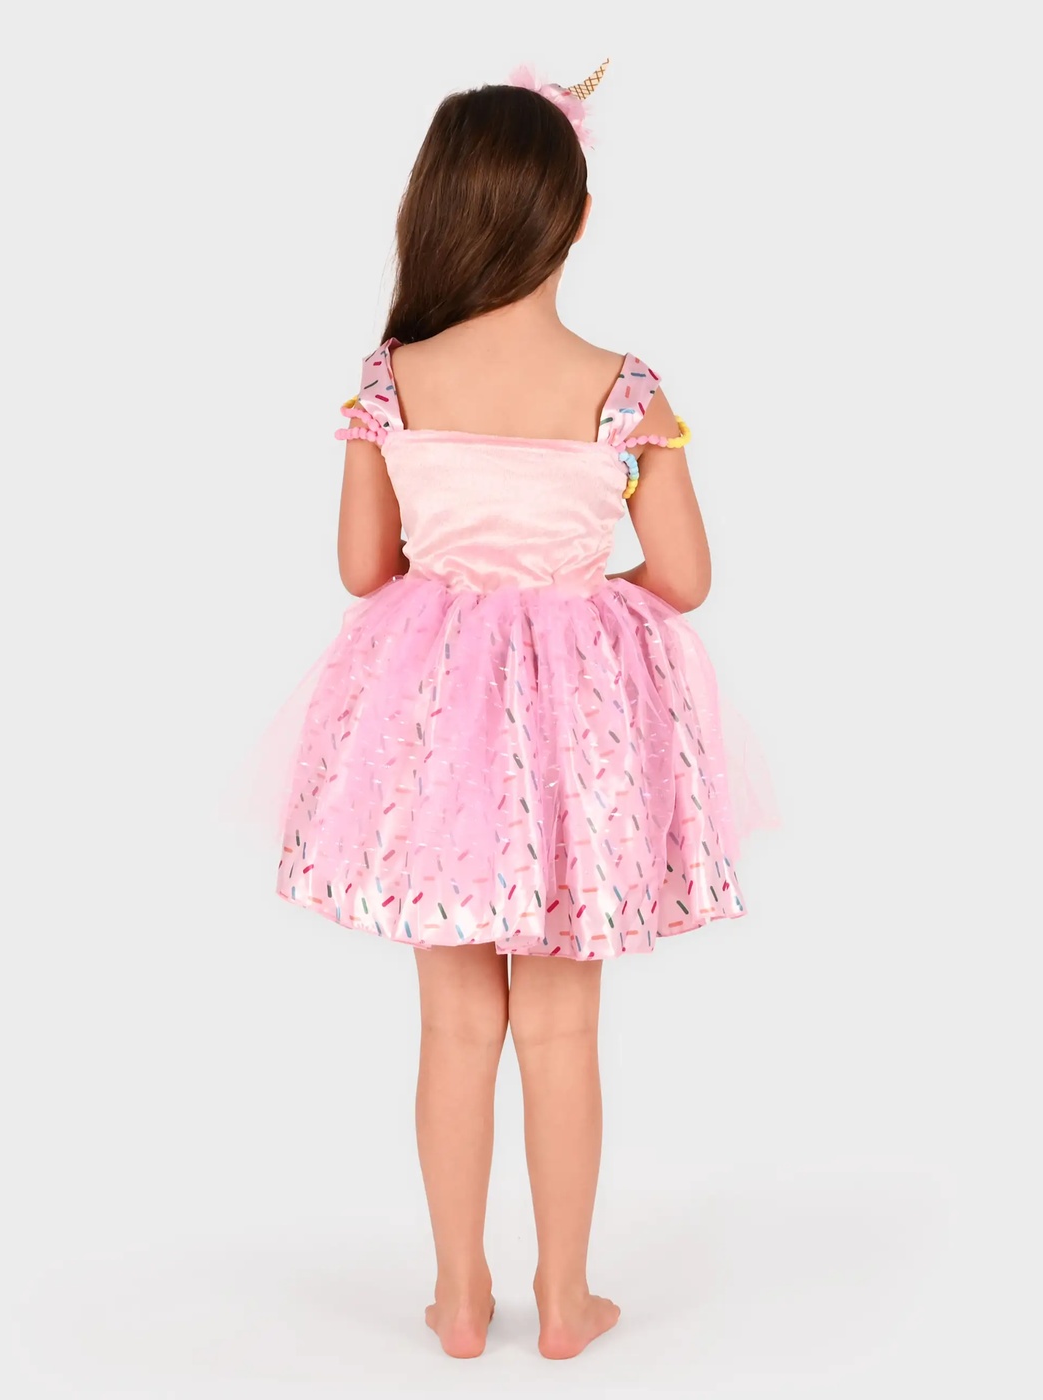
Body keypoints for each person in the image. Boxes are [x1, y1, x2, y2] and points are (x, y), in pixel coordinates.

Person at [275, 61, 750, 1361]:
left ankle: (459, 1296)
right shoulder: (626, 389)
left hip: (432, 731)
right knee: (561, 1024)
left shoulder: (393, 380)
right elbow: (687, 579)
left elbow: (364, 570)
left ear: (435, 208)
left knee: (451, 1025)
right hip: (575, 740)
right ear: (576, 215)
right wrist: (580, 602)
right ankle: (569, 1298)